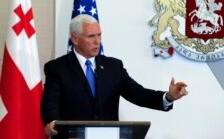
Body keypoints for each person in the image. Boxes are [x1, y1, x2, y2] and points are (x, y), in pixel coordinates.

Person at [41, 14, 188, 138]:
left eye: (99, 35)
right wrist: (53, 123)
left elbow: (137, 93)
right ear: (75, 39)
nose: (97, 42)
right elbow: (50, 103)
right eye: (91, 36)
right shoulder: (57, 68)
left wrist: (168, 97)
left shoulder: (113, 66)